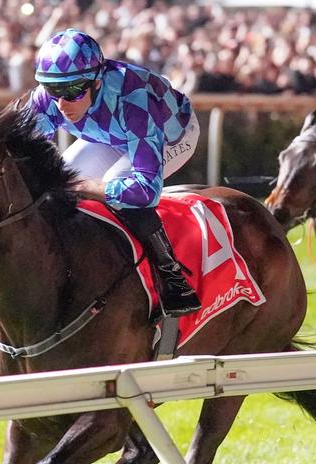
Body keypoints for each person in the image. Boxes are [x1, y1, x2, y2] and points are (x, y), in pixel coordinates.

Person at [27, 28, 201, 317]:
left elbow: (146, 190)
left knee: (114, 190)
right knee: (57, 186)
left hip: (171, 136)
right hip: (110, 136)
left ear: (97, 81)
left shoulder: (135, 99)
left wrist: (94, 188)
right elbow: (24, 150)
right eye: (53, 89)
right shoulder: (48, 97)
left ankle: (174, 279)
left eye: (73, 90)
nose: (61, 102)